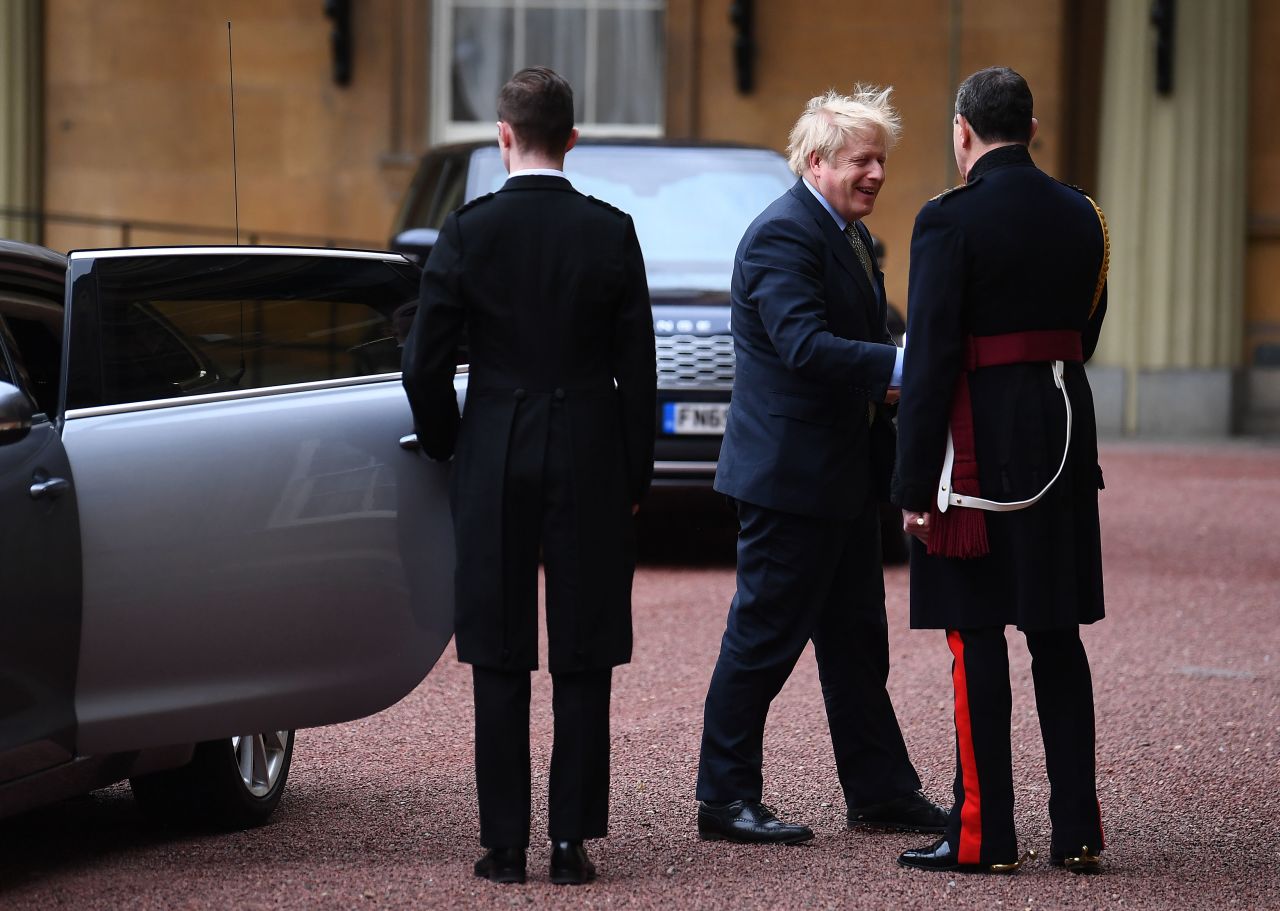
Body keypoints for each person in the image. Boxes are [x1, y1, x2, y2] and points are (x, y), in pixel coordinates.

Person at [401, 66, 656, 886]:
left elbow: (423, 366)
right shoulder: (611, 231)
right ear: (573, 140)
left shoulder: (468, 230)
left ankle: (505, 844)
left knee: (500, 648)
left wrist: (449, 443)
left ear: (503, 137)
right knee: (582, 650)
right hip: (587, 442)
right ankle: (570, 842)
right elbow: (639, 372)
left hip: (497, 445)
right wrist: (634, 474)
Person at [695, 87, 947, 845]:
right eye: (861, 159)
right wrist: (907, 365)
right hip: (789, 479)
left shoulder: (841, 233)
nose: (876, 173)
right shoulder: (784, 235)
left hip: (834, 477)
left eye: (881, 160)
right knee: (762, 638)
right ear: (815, 160)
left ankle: (878, 790)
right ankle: (724, 797)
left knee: (855, 642)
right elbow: (802, 347)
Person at [893, 66, 1108, 874]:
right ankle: (1077, 831)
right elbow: (1087, 327)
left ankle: (984, 834)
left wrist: (913, 485)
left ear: (963, 130)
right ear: (1033, 126)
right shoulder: (1084, 213)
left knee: (974, 635)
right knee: (1056, 633)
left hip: (976, 448)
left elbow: (933, 358)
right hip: (1061, 436)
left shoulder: (946, 219)